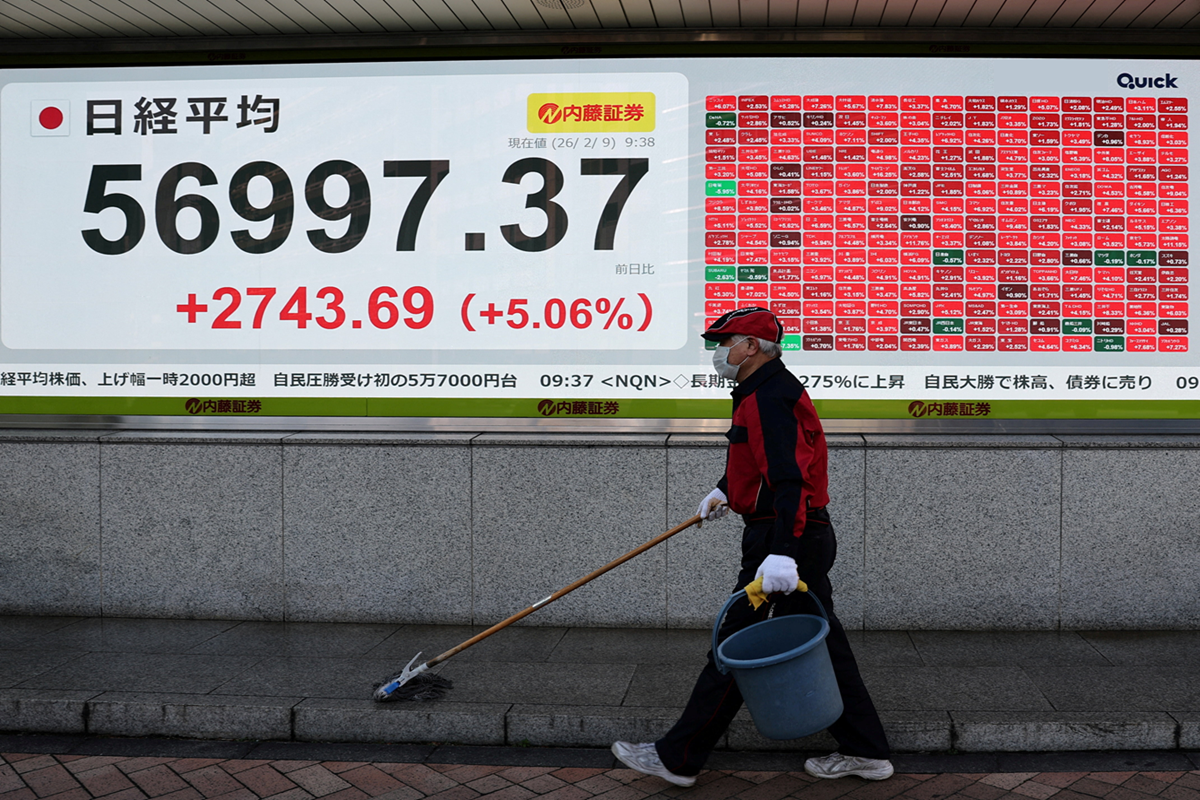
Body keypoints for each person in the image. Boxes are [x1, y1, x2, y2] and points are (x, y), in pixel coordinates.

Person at [611, 306, 893, 786]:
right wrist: (727, 489)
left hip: (784, 539)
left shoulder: (768, 397)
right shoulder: (762, 391)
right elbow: (761, 461)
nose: (719, 351)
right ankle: (867, 751)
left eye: (727, 342)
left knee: (735, 643)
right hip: (794, 534)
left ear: (751, 347)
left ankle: (678, 758)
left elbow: (791, 479)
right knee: (825, 641)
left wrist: (782, 551)